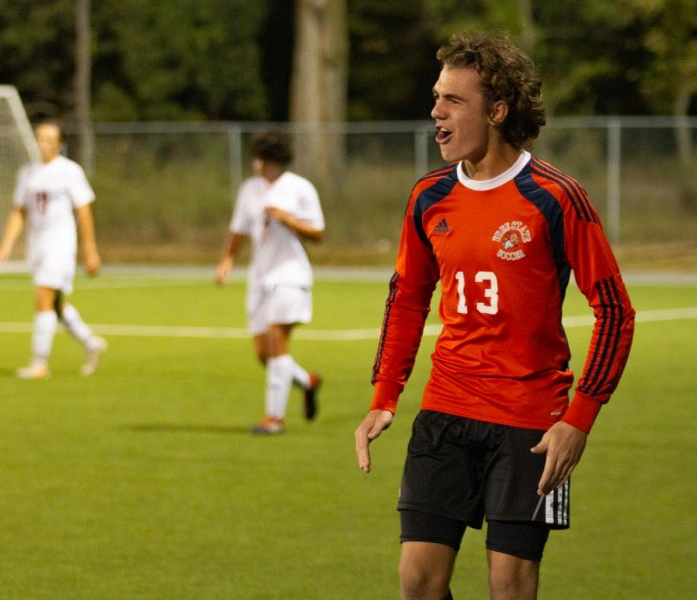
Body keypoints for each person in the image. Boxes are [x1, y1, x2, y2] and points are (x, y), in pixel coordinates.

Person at [354, 32, 635, 599]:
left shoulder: (556, 197)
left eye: (453, 100)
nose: (436, 111)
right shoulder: (428, 197)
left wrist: (578, 419)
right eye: (437, 97)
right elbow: (407, 298)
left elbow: (615, 312)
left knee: (509, 586)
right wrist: (384, 396)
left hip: (531, 422)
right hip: (447, 408)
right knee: (416, 583)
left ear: (498, 110)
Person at [215, 130, 325, 434]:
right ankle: (307, 381)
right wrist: (227, 261)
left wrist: (289, 219)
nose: (257, 164)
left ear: (274, 161)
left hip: (290, 276)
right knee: (265, 354)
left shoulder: (300, 188)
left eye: (261, 158)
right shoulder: (250, 189)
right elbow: (238, 229)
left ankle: (274, 419)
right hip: (259, 279)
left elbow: (318, 233)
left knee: (278, 339)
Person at [0, 119, 107, 380]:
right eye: (39, 138)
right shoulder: (27, 172)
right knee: (55, 304)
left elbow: (84, 210)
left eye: (49, 139)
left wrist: (89, 250)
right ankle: (91, 343)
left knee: (43, 297)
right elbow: (18, 211)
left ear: (60, 143)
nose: (43, 144)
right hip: (37, 245)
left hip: (61, 244)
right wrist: (6, 245)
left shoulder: (69, 171)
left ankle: (39, 364)